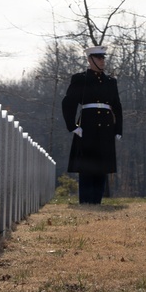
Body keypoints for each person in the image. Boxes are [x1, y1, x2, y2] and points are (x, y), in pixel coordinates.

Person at [62, 45, 123, 204]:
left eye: (103, 58)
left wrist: (118, 129)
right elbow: (68, 102)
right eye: (98, 58)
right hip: (87, 127)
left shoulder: (110, 82)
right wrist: (73, 126)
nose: (102, 61)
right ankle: (86, 201)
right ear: (90, 60)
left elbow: (117, 106)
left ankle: (97, 201)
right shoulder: (80, 79)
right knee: (87, 166)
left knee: (102, 166)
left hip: (106, 128)